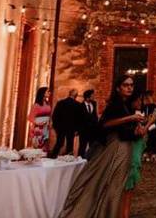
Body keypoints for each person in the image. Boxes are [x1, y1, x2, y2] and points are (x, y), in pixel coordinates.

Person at [58, 74, 147, 218]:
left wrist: (137, 130)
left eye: (131, 85)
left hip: (125, 148)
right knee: (109, 183)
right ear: (118, 88)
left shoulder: (127, 105)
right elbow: (105, 124)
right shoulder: (115, 104)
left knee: (116, 184)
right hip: (115, 148)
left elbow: (126, 131)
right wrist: (130, 118)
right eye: (126, 85)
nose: (130, 88)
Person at [121, 92, 150, 218]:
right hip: (131, 154)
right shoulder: (131, 117)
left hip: (134, 153)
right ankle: (123, 214)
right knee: (126, 188)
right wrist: (150, 122)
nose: (140, 103)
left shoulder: (135, 116)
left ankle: (125, 214)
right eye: (138, 100)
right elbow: (140, 133)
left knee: (130, 189)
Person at [50, 89, 81, 158]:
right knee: (70, 144)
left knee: (59, 142)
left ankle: (53, 156)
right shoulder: (78, 105)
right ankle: (68, 159)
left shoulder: (60, 102)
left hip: (60, 127)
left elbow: (55, 116)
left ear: (69, 94)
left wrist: (56, 126)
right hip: (71, 128)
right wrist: (77, 130)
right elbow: (79, 119)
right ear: (76, 96)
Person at [28, 87, 52, 151]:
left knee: (45, 144)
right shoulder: (36, 105)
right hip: (38, 127)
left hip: (45, 127)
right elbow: (30, 117)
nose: (50, 93)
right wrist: (38, 123)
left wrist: (49, 123)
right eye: (48, 91)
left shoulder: (48, 103)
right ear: (43, 93)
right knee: (38, 145)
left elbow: (49, 115)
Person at [79, 90, 99, 158]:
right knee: (82, 146)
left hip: (93, 129)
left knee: (92, 146)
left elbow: (95, 115)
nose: (94, 97)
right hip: (84, 130)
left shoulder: (94, 103)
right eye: (92, 95)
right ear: (87, 97)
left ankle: (90, 160)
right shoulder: (81, 106)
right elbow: (79, 118)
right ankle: (80, 160)